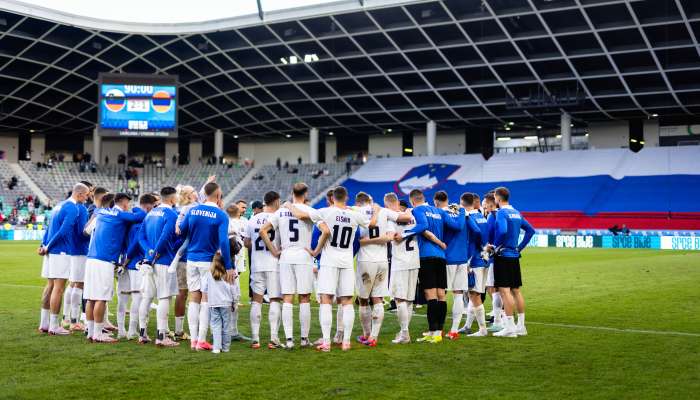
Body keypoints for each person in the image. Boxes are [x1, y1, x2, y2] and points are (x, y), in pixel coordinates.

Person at [306, 186, 369, 352]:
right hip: (347, 261)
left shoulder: (325, 212)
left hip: (329, 261)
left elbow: (305, 213)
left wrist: (289, 206)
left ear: (332, 198)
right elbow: (369, 221)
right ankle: (346, 342)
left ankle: (326, 342)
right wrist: (351, 208)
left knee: (326, 300)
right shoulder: (355, 215)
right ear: (346, 197)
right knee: (347, 302)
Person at [178, 182, 235, 351]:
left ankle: (193, 340)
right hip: (207, 260)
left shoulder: (192, 210)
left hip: (191, 259)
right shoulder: (220, 215)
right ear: (217, 195)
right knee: (206, 299)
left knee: (193, 299)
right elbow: (224, 241)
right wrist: (229, 266)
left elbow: (181, 230)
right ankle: (202, 340)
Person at [403, 189, 464, 343]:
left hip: (426, 256)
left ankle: (433, 332)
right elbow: (457, 226)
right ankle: (439, 331)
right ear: (424, 198)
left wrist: (405, 232)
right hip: (441, 257)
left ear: (412, 201)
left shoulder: (417, 210)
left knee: (431, 296)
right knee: (441, 295)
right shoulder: (439, 211)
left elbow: (422, 226)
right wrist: (462, 211)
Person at [259, 183, 315, 349]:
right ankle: (304, 339)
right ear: (306, 193)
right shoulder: (309, 210)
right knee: (304, 297)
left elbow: (263, 231)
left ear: (292, 193)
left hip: (286, 256)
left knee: (288, 298)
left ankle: (289, 339)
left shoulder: (281, 211)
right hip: (304, 255)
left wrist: (274, 251)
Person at [84, 193, 145, 343]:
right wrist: (136, 209)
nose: (128, 206)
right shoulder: (120, 214)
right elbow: (141, 215)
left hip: (91, 258)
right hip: (105, 260)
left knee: (91, 298)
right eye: (128, 203)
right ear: (123, 202)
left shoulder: (100, 211)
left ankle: (91, 332)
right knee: (101, 299)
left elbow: (86, 230)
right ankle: (98, 334)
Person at [354, 192, 410, 347]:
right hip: (382, 261)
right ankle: (374, 337)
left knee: (363, 300)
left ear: (358, 202)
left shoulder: (355, 211)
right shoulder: (384, 212)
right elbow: (401, 221)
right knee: (378, 299)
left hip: (365, 261)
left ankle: (366, 334)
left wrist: (364, 242)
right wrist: (409, 211)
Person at [39, 183, 90, 336]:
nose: (87, 198)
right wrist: (48, 247)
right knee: (58, 288)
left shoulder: (59, 206)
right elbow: (64, 230)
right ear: (80, 194)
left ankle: (44, 323)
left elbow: (49, 228)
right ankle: (55, 325)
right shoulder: (73, 208)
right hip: (60, 251)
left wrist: (43, 245)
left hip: (51, 250)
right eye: (87, 195)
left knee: (49, 286)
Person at [137, 187, 180, 347]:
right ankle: (161, 336)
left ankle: (142, 333)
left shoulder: (150, 213)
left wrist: (149, 253)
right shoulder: (171, 214)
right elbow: (165, 236)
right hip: (163, 260)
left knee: (147, 297)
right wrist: (155, 253)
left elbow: (140, 236)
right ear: (172, 198)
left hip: (149, 260)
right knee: (164, 297)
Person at [491, 187, 535, 338]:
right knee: (516, 290)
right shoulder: (516, 212)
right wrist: (519, 248)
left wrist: (495, 246)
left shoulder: (502, 212)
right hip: (514, 256)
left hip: (503, 256)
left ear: (497, 198)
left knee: (504, 291)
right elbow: (530, 231)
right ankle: (521, 327)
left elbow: (502, 231)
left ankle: (509, 327)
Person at [244, 191, 283, 349]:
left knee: (257, 300)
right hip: (274, 263)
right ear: (276, 201)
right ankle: (273, 338)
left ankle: (255, 339)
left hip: (257, 264)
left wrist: (257, 248)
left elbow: (246, 242)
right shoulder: (278, 218)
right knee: (274, 299)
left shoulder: (252, 219)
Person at [431, 191, 471, 341]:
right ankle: (454, 330)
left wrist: (461, 210)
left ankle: (437, 330)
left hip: (448, 258)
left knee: (441, 294)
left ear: (436, 202)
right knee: (458, 294)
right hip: (462, 258)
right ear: (447, 200)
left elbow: (458, 226)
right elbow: (475, 230)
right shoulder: (459, 212)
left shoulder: (440, 213)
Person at [117, 194, 156, 340]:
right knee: (137, 298)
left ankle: (121, 330)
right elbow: (136, 243)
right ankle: (132, 330)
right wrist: (128, 260)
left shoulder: (129, 218)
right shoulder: (142, 219)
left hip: (123, 261)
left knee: (122, 297)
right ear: (148, 206)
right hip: (135, 263)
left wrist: (122, 261)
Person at [385, 196, 420, 344]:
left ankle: (405, 333)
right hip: (414, 260)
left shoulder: (390, 219)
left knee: (400, 299)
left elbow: (391, 236)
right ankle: (403, 331)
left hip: (400, 262)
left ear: (388, 204)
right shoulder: (412, 215)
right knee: (409, 299)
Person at [460, 193, 490, 337]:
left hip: (474, 260)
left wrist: (470, 258)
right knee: (474, 294)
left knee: (474, 294)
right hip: (484, 259)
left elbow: (476, 234)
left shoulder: (469, 218)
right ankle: (467, 325)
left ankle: (483, 329)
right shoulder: (481, 216)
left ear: (462, 203)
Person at [202, 253, 235, 354]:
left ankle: (216, 347)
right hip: (226, 304)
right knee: (226, 326)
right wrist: (235, 302)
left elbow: (204, 288)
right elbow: (233, 290)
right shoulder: (228, 274)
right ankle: (226, 347)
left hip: (214, 303)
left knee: (215, 325)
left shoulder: (209, 274)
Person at [226, 204, 247, 341]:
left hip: (226, 264)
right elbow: (240, 244)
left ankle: (225, 330)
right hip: (234, 265)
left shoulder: (226, 222)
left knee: (226, 298)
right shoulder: (242, 224)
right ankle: (232, 331)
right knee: (233, 298)